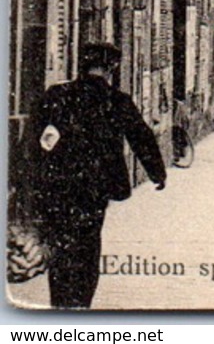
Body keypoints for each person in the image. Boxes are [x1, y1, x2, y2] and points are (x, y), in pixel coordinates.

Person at [27, 43, 167, 308]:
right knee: (88, 247)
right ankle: (81, 304)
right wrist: (157, 172)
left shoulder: (57, 95)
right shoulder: (117, 100)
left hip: (57, 188)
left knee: (60, 246)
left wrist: (28, 179)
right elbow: (141, 136)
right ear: (111, 68)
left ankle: (60, 302)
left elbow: (33, 140)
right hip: (95, 190)